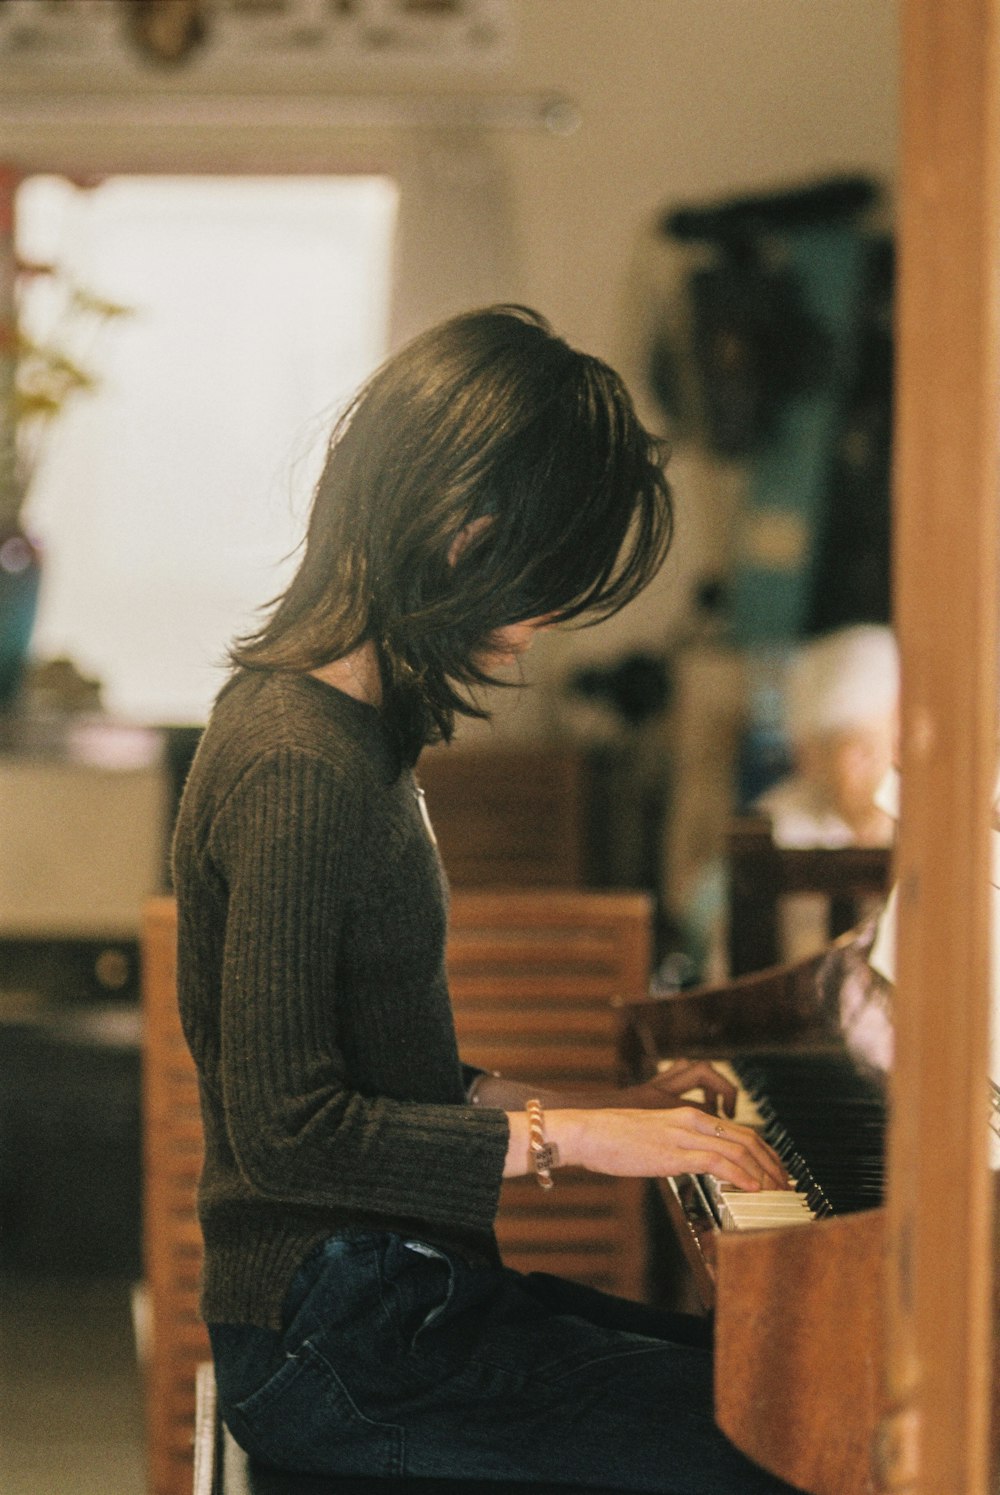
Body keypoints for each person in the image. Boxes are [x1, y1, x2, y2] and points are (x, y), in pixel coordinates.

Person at [172, 305, 794, 1494]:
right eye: (547, 582)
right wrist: (581, 1138)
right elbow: (288, 1127)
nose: (550, 622)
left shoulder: (351, 735)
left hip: (393, 1299)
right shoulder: (298, 761)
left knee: (772, 1379)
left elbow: (381, 1074)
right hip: (338, 1344)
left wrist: (597, 1104)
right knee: (778, 1441)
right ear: (466, 538)